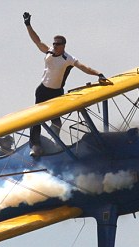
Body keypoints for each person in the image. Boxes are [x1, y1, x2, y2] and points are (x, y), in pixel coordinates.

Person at [23, 12, 110, 157]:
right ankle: (36, 146)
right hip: (42, 90)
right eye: (54, 43)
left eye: (57, 44)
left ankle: (56, 144)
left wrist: (98, 74)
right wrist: (28, 25)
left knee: (56, 121)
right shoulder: (49, 52)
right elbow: (37, 41)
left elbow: (84, 67)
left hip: (56, 92)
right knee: (36, 119)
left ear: (63, 45)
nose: (54, 46)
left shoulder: (68, 59)